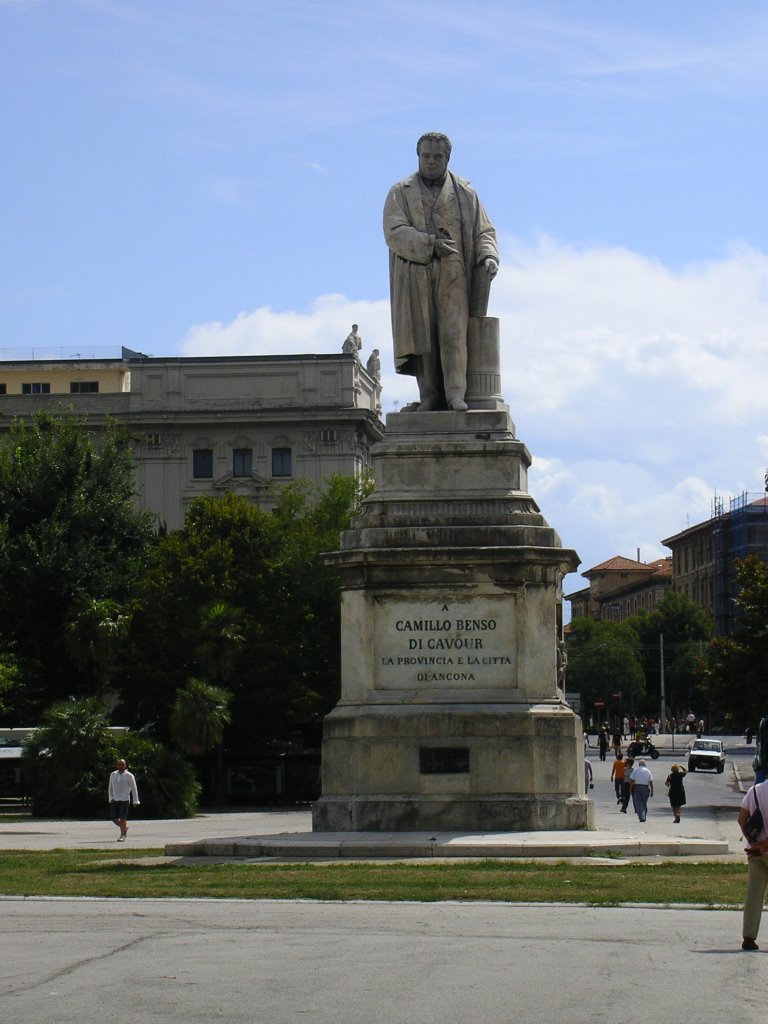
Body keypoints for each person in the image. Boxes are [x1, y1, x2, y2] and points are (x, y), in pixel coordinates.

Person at [383, 131, 499, 412]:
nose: (431, 161)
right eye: (426, 156)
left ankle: (455, 393)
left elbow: (483, 231)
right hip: (416, 271)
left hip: (454, 272)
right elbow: (394, 231)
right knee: (424, 338)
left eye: (437, 157)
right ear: (418, 156)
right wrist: (430, 244)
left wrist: (488, 255)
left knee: (453, 334)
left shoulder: (465, 193)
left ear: (447, 158)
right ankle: (430, 396)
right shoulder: (401, 191)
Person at [738, 778, 768, 950]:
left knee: (753, 896)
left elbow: (742, 819)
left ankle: (748, 937)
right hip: (762, 849)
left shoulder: (754, 790)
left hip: (755, 854)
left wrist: (753, 842)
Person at [108, 757, 140, 842]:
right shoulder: (113, 774)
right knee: (113, 818)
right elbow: (110, 787)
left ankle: (122, 835)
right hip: (115, 799)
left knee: (122, 818)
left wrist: (135, 800)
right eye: (119, 764)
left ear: (125, 765)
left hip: (125, 800)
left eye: (122, 764)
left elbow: (134, 788)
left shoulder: (129, 775)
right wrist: (110, 797)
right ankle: (125, 827)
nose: (120, 766)